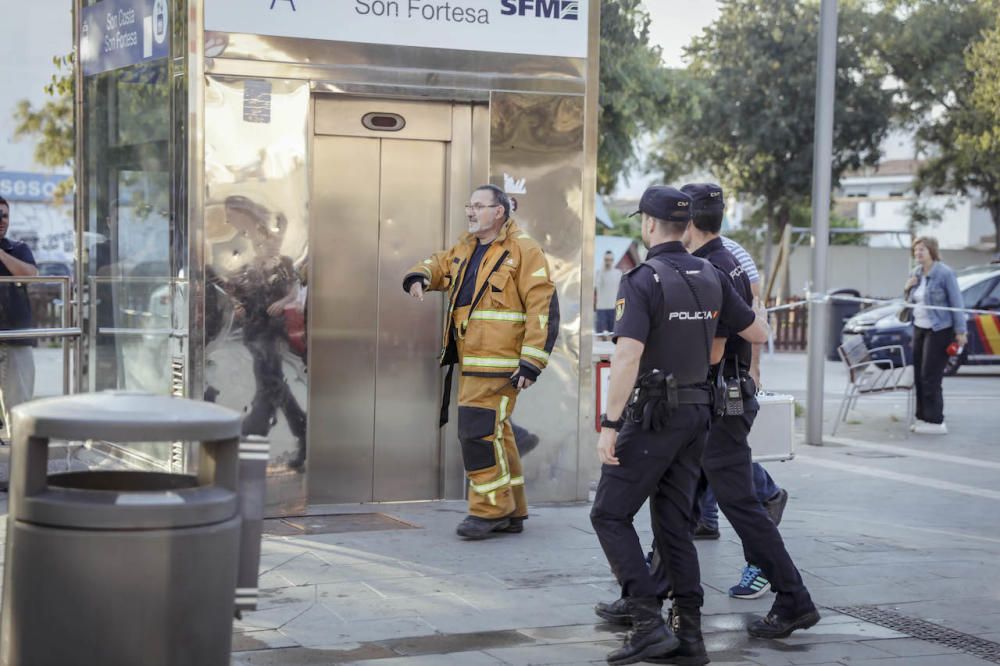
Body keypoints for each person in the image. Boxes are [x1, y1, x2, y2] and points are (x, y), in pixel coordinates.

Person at [590, 186, 770, 665]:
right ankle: (689, 636)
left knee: (608, 513)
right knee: (673, 524)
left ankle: (647, 621)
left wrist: (609, 423)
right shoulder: (710, 273)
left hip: (654, 414)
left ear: (649, 225)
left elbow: (626, 356)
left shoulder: (641, 279)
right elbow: (758, 331)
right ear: (685, 226)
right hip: (697, 413)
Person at [403, 184, 559, 540]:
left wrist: (532, 362)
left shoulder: (524, 250)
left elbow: (543, 308)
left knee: (476, 434)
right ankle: (512, 509)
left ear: (499, 211)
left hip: (500, 365)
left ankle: (488, 510)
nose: (470, 212)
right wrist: (420, 277)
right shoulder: (467, 246)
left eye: (478, 206)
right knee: (496, 434)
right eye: (468, 205)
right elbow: (440, 264)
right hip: (473, 362)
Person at [222, 195, 308, 469]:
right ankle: (300, 432)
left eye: (230, 214)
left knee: (269, 383)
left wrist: (282, 302)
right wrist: (237, 302)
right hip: (254, 324)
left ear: (242, 212)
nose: (227, 221)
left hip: (270, 327)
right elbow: (239, 281)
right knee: (273, 384)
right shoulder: (244, 243)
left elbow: (291, 279)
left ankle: (252, 434)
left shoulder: (266, 240)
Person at [904, 236, 967, 435]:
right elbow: (909, 301)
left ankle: (935, 420)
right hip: (919, 328)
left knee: (930, 376)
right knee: (919, 376)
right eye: (915, 250)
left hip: (939, 330)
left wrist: (960, 331)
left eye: (922, 249)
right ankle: (922, 417)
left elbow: (957, 303)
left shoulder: (945, 273)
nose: (918, 253)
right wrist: (907, 287)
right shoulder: (916, 273)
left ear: (932, 250)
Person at [0, 196, 39, 441]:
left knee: (20, 412)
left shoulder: (18, 248)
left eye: (5, 215)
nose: (1, 221)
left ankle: (20, 471)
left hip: (15, 339)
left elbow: (30, 275)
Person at [595, 250, 622, 339]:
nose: (608, 262)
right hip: (601, 308)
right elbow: (596, 286)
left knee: (612, 335)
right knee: (599, 335)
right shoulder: (599, 273)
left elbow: (621, 291)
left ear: (613, 260)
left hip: (613, 307)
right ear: (603, 260)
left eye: (610, 260)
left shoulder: (618, 273)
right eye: (606, 260)